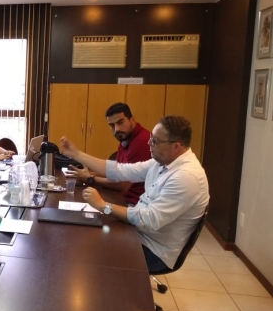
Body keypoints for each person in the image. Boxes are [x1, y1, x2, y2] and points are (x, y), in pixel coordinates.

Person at [60, 116, 209, 272]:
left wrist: (104, 206)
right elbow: (120, 171)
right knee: (87, 233)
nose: (149, 143)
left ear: (176, 146)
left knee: (90, 248)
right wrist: (76, 154)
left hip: (154, 250)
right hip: (139, 232)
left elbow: (149, 219)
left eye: (155, 141)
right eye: (151, 138)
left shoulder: (186, 177)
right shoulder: (162, 161)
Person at [68, 103, 151, 205]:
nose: (117, 129)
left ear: (132, 120)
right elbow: (117, 172)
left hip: (135, 204)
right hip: (123, 197)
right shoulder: (125, 138)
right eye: (112, 125)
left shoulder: (141, 142)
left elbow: (122, 184)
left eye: (120, 122)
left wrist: (90, 178)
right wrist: (86, 174)